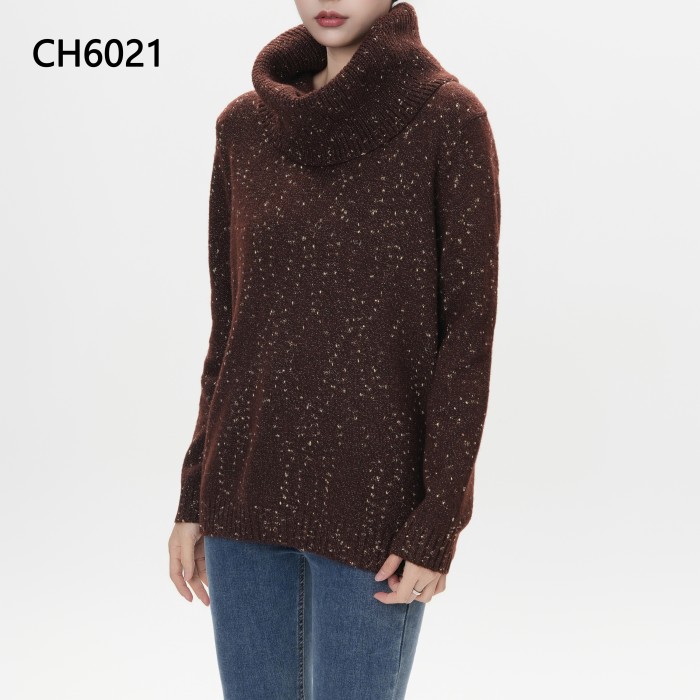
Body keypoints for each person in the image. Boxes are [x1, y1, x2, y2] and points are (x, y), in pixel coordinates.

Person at [168, 1, 501, 697]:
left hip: (375, 511)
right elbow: (231, 328)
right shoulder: (244, 128)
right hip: (244, 496)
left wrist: (439, 519)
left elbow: (466, 341)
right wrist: (195, 493)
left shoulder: (448, 119)